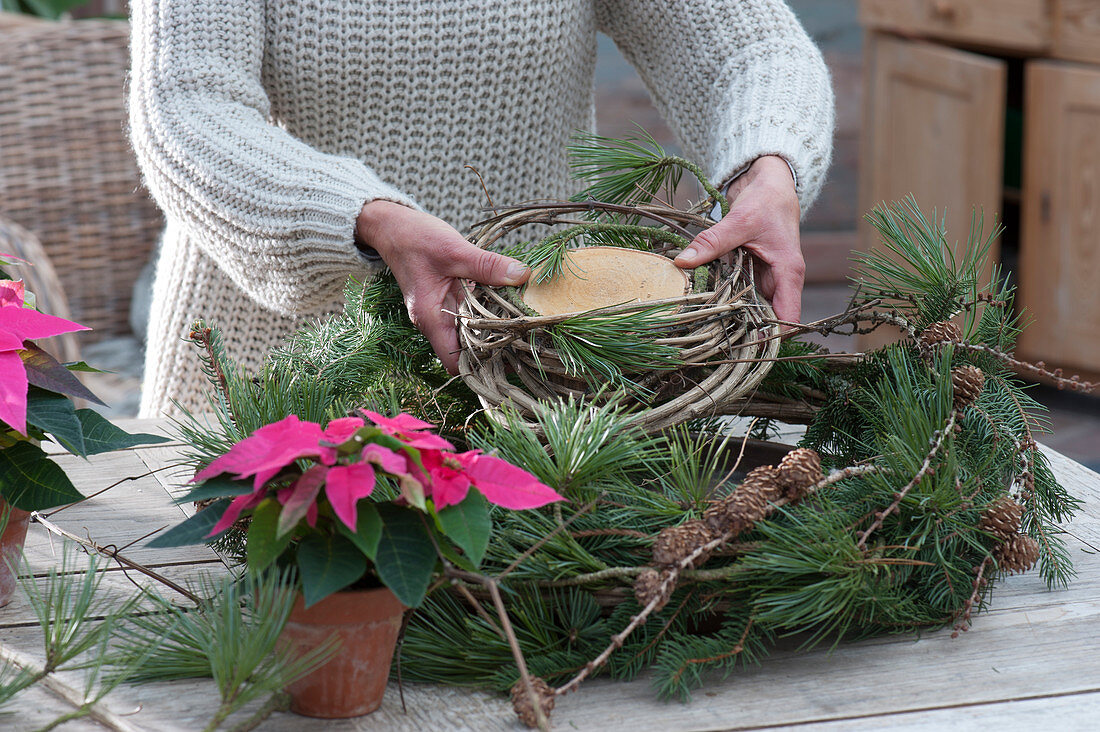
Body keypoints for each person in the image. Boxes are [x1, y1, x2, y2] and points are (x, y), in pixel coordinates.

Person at [129, 0, 834, 418]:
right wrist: (366, 218)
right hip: (275, 378)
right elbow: (188, 106)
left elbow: (748, 45)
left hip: (540, 372)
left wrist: (768, 166)